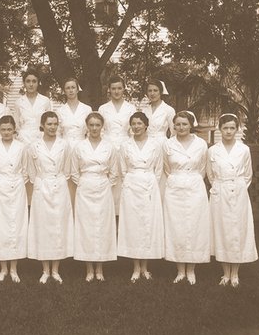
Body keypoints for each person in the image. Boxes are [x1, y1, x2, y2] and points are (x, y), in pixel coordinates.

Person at [207, 113, 258, 288]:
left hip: (238, 193)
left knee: (236, 230)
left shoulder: (244, 149)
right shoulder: (213, 150)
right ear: (220, 129)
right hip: (219, 193)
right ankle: (225, 273)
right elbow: (210, 175)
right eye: (225, 128)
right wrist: (220, 187)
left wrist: (238, 188)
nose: (228, 131)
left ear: (237, 129)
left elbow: (248, 175)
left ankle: (235, 273)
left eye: (232, 128)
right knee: (222, 230)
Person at [163, 111, 209, 285]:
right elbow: (166, 168)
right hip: (175, 188)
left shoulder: (201, 144)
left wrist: (191, 178)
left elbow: (203, 167)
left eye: (184, 124)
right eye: (178, 124)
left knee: (194, 226)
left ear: (191, 125)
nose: (181, 127)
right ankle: (180, 270)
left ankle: (191, 270)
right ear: (173, 126)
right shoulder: (168, 144)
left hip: (195, 187)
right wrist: (178, 178)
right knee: (177, 227)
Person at [117, 112, 164, 282]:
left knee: (147, 225)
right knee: (133, 226)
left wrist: (150, 183)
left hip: (149, 185)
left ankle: (145, 267)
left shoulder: (155, 145)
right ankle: (136, 267)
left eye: (139, 123)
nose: (136, 127)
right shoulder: (125, 145)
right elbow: (122, 169)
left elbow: (158, 170)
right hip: (131, 185)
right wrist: (131, 180)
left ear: (146, 125)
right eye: (133, 124)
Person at [71, 112, 118, 282]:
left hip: (103, 187)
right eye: (91, 125)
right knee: (87, 226)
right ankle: (89, 268)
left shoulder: (109, 147)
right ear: (87, 126)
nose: (94, 128)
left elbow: (114, 172)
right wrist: (85, 183)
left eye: (97, 125)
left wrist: (103, 183)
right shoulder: (79, 147)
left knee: (102, 226)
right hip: (85, 187)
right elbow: (74, 172)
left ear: (102, 127)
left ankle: (100, 268)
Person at [28, 111, 74, 284]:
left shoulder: (65, 145)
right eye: (49, 124)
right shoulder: (34, 146)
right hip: (42, 186)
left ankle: (55, 269)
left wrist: (56, 180)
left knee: (57, 227)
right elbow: (31, 171)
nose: (52, 127)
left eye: (55, 124)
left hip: (59, 186)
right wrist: (40, 182)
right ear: (42, 125)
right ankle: (45, 270)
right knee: (43, 227)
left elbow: (68, 170)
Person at [0, 115, 28, 283]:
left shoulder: (21, 147)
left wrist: (15, 183)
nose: (6, 132)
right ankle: (3, 268)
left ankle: (14, 268)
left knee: (16, 226)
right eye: (3, 129)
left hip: (17, 188)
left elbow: (25, 170)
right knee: (0, 226)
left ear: (14, 130)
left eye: (9, 129)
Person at [98, 76, 136, 214]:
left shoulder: (131, 108)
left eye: (119, 88)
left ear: (124, 89)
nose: (116, 91)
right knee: (110, 177)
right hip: (108, 145)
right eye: (113, 88)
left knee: (124, 178)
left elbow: (134, 129)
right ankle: (109, 212)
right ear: (109, 90)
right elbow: (100, 130)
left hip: (125, 144)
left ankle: (124, 212)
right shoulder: (103, 108)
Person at [13, 67, 52, 145]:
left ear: (38, 83)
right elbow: (16, 124)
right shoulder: (19, 102)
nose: (31, 84)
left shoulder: (45, 101)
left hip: (41, 140)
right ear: (24, 83)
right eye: (28, 81)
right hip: (23, 140)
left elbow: (49, 122)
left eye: (34, 81)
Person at [57, 78, 92, 145]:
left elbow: (90, 132)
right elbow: (58, 134)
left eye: (73, 87)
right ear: (64, 91)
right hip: (65, 147)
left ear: (77, 90)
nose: (71, 90)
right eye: (68, 88)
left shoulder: (87, 109)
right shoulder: (60, 111)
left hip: (83, 146)